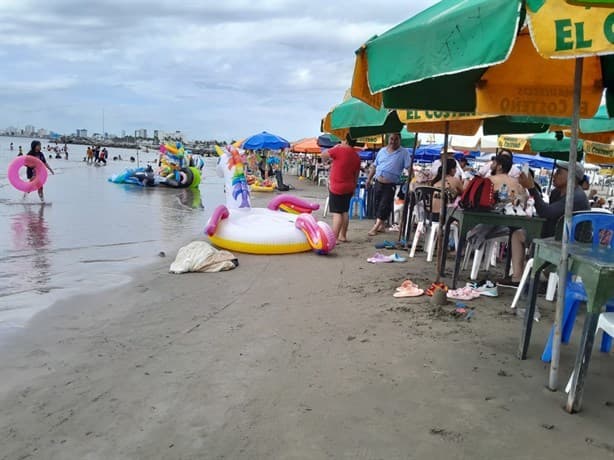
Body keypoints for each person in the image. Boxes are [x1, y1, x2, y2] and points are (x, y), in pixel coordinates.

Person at [500, 161, 590, 287]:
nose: (554, 175)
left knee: (521, 235)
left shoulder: (575, 196)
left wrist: (532, 188)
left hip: (570, 243)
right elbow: (548, 214)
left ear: (572, 176)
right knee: (518, 234)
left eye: (559, 172)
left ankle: (533, 279)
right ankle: (518, 278)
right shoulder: (556, 193)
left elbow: (546, 212)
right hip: (555, 236)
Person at [366, 132, 411, 236]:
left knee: (384, 205)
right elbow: (374, 166)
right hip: (378, 181)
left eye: (396, 139)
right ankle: (381, 226)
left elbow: (409, 167)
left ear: (400, 140)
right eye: (391, 139)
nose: (393, 141)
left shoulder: (404, 152)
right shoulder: (382, 151)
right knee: (377, 204)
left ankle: (375, 227)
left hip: (390, 184)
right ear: (388, 139)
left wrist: (411, 179)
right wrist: (369, 179)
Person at [320, 135, 361, 242]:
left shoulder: (339, 149)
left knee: (337, 213)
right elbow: (356, 175)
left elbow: (323, 155)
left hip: (337, 186)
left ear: (346, 140)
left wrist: (335, 147)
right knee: (344, 211)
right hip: (349, 186)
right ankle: (343, 236)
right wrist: (353, 188)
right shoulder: (356, 156)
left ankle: (334, 238)